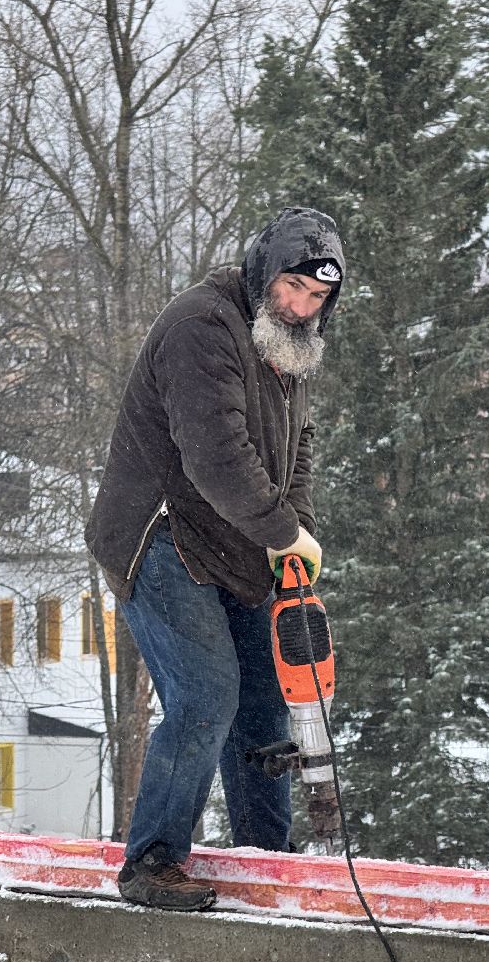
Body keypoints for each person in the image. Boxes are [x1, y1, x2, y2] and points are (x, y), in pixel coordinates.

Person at [85, 206, 343, 911]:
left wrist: (298, 539)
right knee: (205, 695)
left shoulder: (289, 349)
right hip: (159, 534)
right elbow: (214, 455)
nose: (300, 306)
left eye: (317, 297)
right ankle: (152, 862)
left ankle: (267, 856)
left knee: (264, 699)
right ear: (265, 271)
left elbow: (297, 458)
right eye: (292, 288)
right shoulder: (203, 325)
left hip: (236, 543)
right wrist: (283, 532)